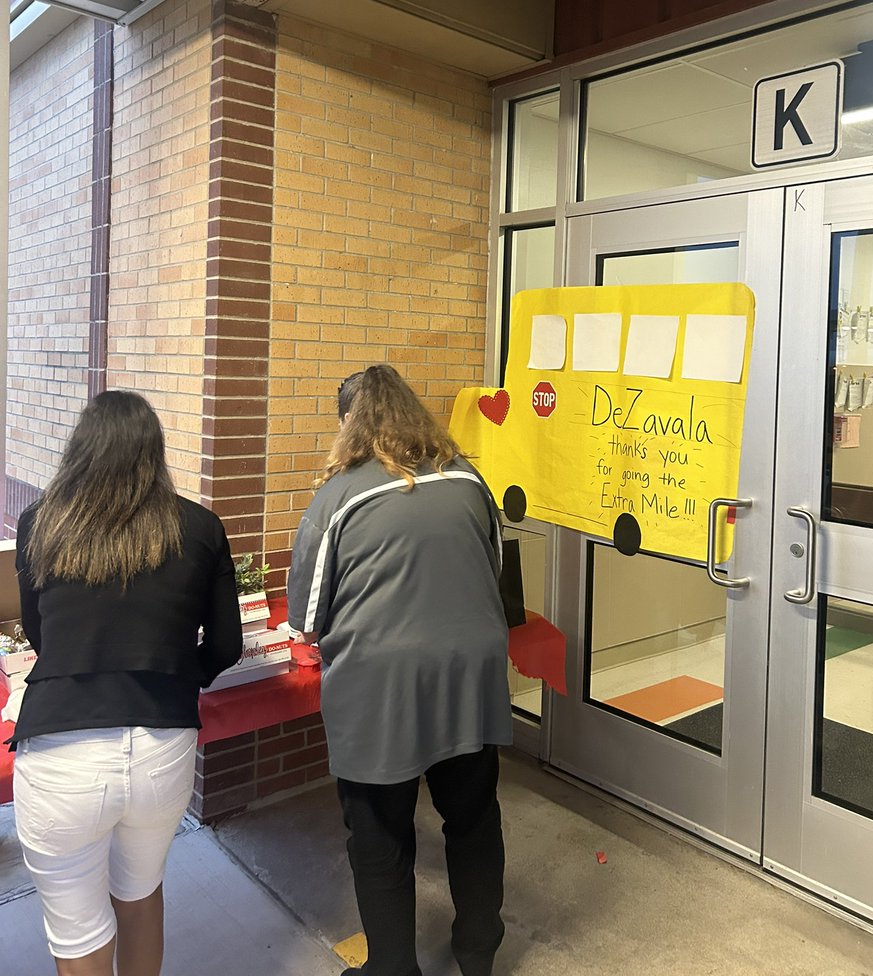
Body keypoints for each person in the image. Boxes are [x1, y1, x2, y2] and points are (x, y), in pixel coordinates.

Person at [287, 364, 513, 976]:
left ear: (347, 425)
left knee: (380, 833)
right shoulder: (469, 479)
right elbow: (492, 570)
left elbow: (305, 613)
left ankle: (392, 968)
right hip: (471, 674)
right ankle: (476, 953)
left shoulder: (338, 496)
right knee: (473, 816)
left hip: (380, 687)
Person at [10, 390, 243, 976]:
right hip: (163, 749)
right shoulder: (200, 527)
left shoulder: (41, 522)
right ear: (155, 452)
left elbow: (40, 634)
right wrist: (171, 673)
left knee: (78, 929)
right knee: (140, 898)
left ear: (79, 449)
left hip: (61, 750)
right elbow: (225, 648)